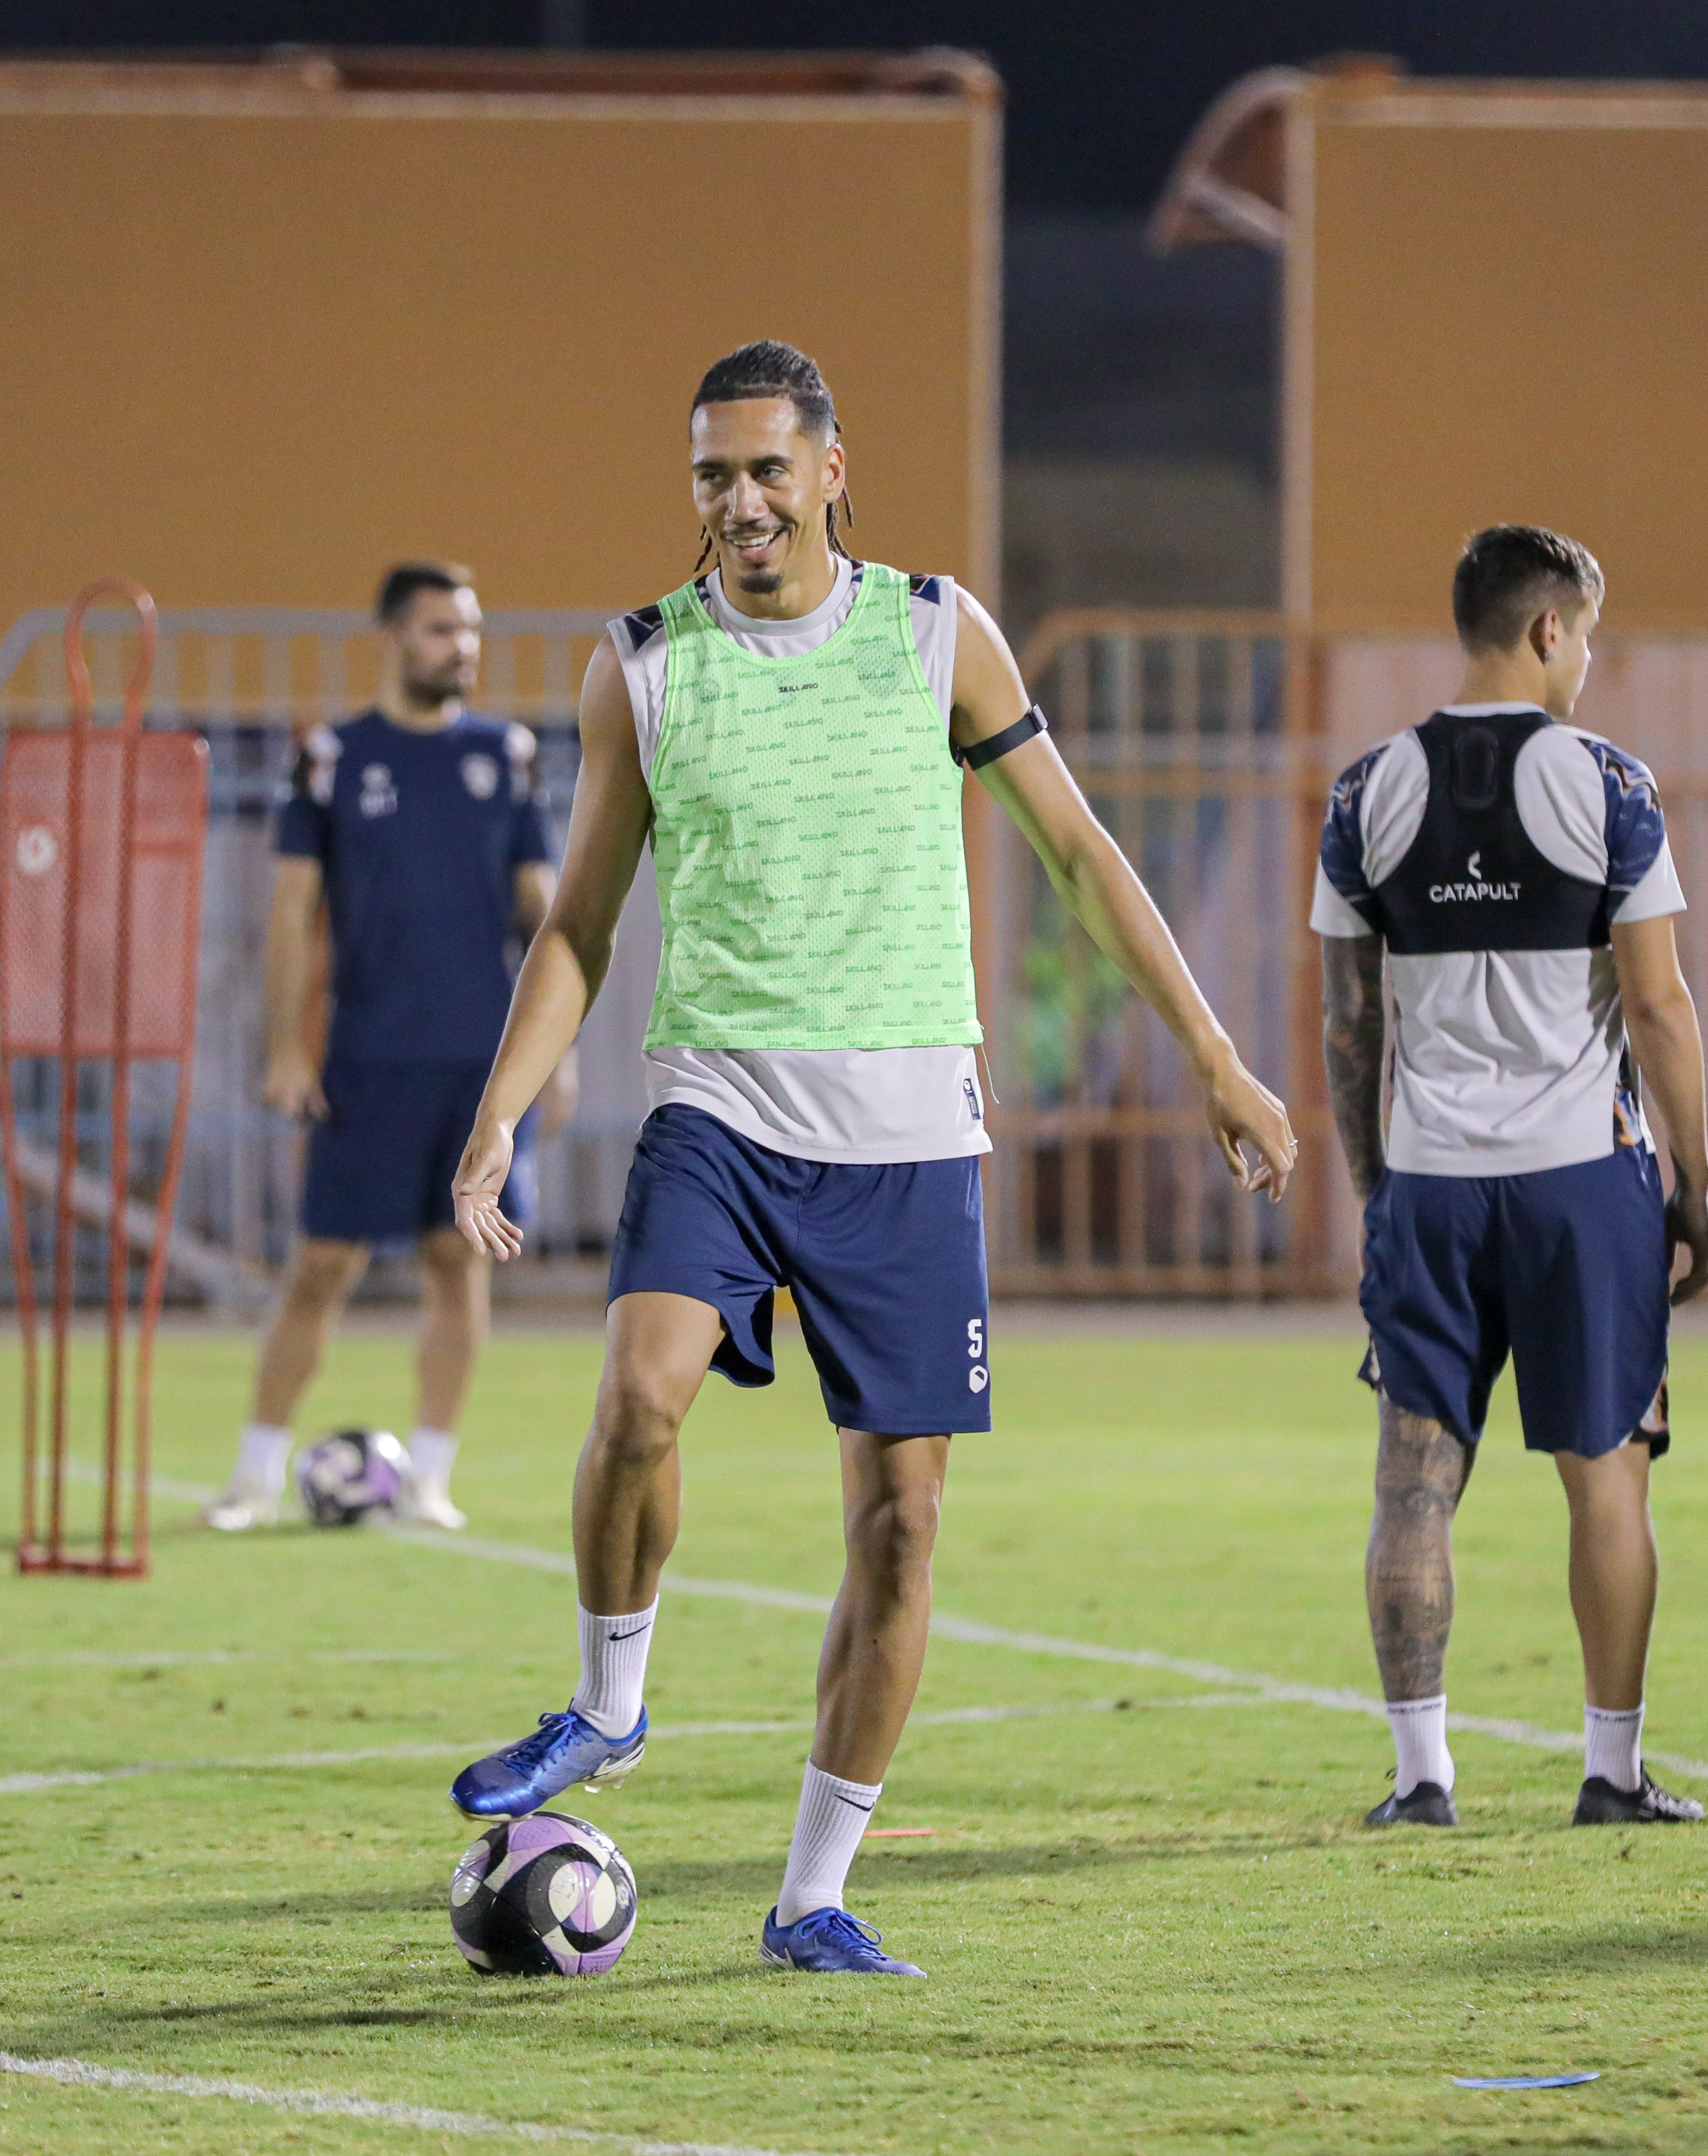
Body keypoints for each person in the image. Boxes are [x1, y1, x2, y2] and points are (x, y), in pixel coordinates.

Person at [441, 340, 1297, 1978]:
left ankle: (812, 1892)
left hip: (908, 1136)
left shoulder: (932, 633)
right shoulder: (639, 665)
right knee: (635, 1399)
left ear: (833, 467)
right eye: (712, 475)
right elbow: (579, 923)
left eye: (769, 468)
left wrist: (1212, 1053)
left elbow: (1076, 847)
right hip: (721, 1110)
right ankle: (608, 1702)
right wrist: (503, 1116)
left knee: (898, 1525)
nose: (741, 502)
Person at [1316, 524, 1708, 1836]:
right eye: (1587, 634)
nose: (1587, 658)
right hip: (1579, 1184)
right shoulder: (1609, 782)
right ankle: (1609, 1770)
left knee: (1412, 1480)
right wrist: (1695, 1183)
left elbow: (1347, 1023)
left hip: (1432, 1185)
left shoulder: (1365, 786)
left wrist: (1382, 1183)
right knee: (1605, 1474)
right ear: (1549, 630)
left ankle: (1420, 1777)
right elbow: (1655, 1004)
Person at [205, 561, 573, 1534]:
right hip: (367, 1059)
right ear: (391, 638)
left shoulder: (510, 753)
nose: (463, 647)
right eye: (442, 629)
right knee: (323, 1263)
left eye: (471, 630)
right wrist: (288, 1045)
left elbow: (545, 918)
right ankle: (252, 1475)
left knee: (460, 1262)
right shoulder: (332, 756)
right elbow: (293, 909)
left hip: (482, 1068)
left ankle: (429, 1480)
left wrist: (556, 1049)